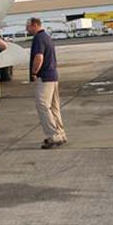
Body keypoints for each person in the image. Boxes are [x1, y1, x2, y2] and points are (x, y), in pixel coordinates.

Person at [27, 17, 68, 149]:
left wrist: (34, 72)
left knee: (43, 105)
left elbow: (39, 57)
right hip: (53, 76)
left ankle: (53, 135)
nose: (26, 29)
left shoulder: (38, 38)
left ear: (34, 25)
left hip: (44, 77)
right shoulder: (47, 37)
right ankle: (61, 133)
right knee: (54, 107)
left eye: (27, 26)